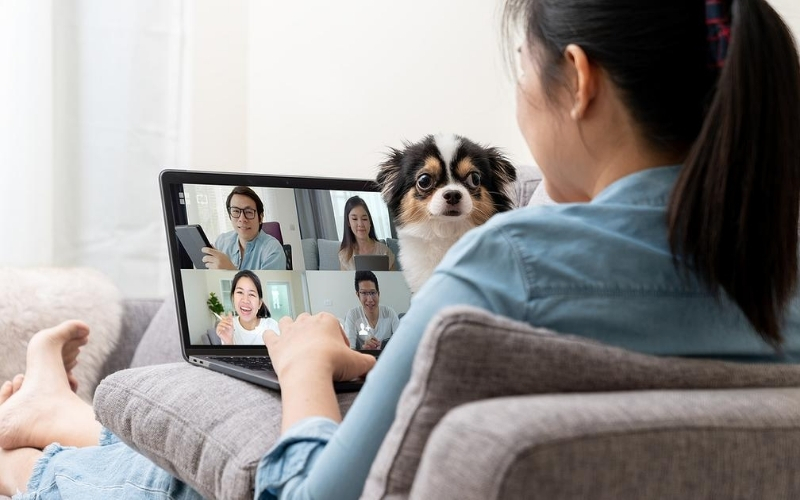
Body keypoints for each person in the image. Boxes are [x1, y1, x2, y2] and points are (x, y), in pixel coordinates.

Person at [1, 0, 800, 498]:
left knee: (165, 475)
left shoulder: (508, 264)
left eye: (521, 67)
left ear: (580, 80)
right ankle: (57, 417)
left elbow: (309, 493)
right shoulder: (781, 273)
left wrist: (306, 364)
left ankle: (41, 457)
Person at [202, 186, 287, 271]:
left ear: (260, 218)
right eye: (236, 211)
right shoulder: (221, 242)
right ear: (229, 215)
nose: (242, 219)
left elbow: (265, 284)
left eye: (249, 212)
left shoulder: (273, 250)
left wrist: (230, 271)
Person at [216, 270, 281, 345]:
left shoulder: (271, 326)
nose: (245, 300)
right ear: (233, 298)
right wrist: (229, 342)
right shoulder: (228, 327)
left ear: (259, 303)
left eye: (251, 294)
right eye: (240, 292)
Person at [343, 271, 400, 349]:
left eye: (373, 293)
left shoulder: (390, 313)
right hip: (363, 359)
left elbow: (401, 344)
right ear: (358, 295)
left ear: (378, 294)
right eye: (364, 293)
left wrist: (385, 347)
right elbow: (349, 350)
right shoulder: (353, 315)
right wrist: (364, 349)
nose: (369, 299)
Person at [338, 195, 396, 271]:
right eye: (354, 219)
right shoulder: (345, 255)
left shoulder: (384, 251)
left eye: (364, 219)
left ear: (370, 222)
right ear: (348, 223)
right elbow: (345, 282)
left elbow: (393, 280)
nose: (360, 224)